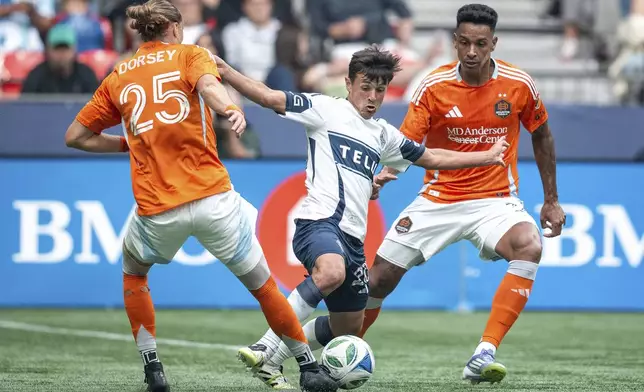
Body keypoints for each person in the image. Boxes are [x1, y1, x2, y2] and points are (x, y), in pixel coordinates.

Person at [63, 1, 337, 392]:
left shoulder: (117, 76)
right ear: (174, 27)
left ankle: (153, 369)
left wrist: (127, 145)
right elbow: (210, 86)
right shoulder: (191, 55)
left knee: (134, 272)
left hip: (158, 210)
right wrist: (229, 109)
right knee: (263, 287)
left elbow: (75, 136)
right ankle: (308, 367)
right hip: (212, 199)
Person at [214, 45, 510, 389]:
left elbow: (430, 157)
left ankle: (273, 363)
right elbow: (267, 97)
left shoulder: (383, 134)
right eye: (365, 87)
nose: (372, 97)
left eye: (380, 90)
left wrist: (485, 156)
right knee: (331, 272)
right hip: (318, 222)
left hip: (353, 239)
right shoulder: (324, 109)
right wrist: (226, 71)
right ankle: (265, 344)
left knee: (347, 328)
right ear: (348, 83)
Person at [359, 4, 566, 385]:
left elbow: (542, 134)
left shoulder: (519, 85)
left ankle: (484, 351)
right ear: (455, 41)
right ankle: (347, 348)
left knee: (529, 245)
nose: (472, 52)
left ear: (494, 44)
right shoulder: (432, 86)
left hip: (495, 200)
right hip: (439, 198)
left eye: (481, 44)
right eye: (465, 43)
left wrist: (550, 199)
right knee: (378, 282)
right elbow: (408, 142)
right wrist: (386, 173)